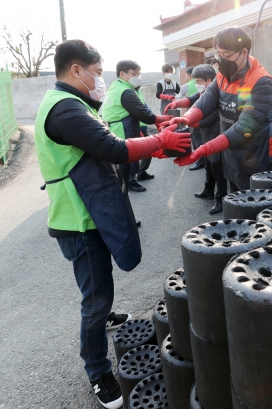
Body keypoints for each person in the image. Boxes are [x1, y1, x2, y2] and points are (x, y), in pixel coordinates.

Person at [34, 39, 190, 409]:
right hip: (78, 220)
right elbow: (114, 149)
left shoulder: (72, 103)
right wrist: (160, 140)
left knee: (100, 285)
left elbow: (110, 141)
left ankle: (104, 317)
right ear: (77, 69)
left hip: (91, 213)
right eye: (97, 71)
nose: (99, 79)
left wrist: (155, 138)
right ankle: (98, 372)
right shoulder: (65, 110)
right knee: (95, 297)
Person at [163, 26, 272, 191]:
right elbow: (208, 97)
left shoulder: (262, 82)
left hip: (256, 151)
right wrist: (187, 118)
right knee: (235, 194)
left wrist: (205, 148)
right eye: (219, 54)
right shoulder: (223, 75)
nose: (222, 60)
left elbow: (245, 126)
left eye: (227, 55)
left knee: (254, 200)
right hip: (230, 146)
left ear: (244, 52)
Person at [103, 60, 173, 192]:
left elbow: (143, 108)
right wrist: (165, 118)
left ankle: (132, 179)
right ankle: (128, 183)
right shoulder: (125, 91)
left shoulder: (121, 87)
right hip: (123, 129)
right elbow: (146, 116)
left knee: (136, 155)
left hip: (125, 127)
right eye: (134, 73)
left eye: (139, 74)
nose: (138, 77)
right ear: (122, 74)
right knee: (127, 160)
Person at [189, 64, 226, 214]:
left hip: (216, 138)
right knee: (208, 166)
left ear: (209, 80)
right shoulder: (203, 94)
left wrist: (188, 122)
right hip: (206, 137)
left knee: (218, 170)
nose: (196, 85)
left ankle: (221, 200)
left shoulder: (216, 95)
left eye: (198, 81)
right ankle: (208, 190)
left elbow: (206, 119)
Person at [176, 66, 205, 171]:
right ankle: (203, 159)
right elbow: (190, 99)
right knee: (200, 139)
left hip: (195, 118)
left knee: (197, 140)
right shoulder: (202, 89)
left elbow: (180, 98)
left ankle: (201, 160)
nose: (196, 84)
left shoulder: (186, 86)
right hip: (196, 117)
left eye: (198, 81)